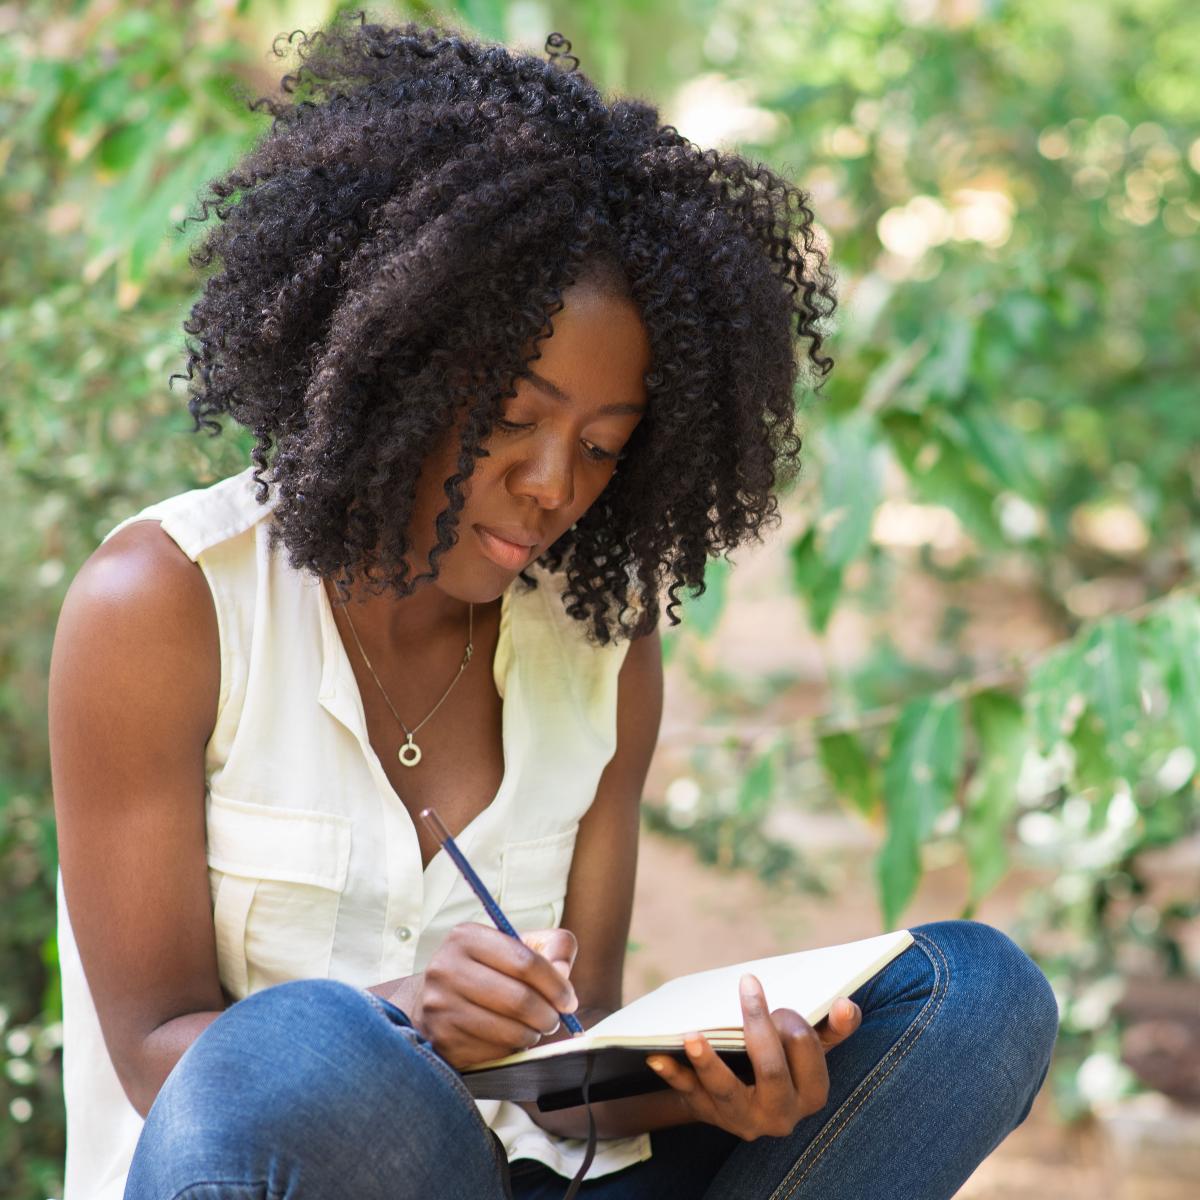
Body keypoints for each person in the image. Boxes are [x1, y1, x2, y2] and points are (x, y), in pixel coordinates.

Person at [48, 15, 1058, 1200]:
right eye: (514, 422)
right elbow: (157, 1053)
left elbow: (582, 1060)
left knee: (977, 998)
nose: (552, 484)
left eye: (604, 447)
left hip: (547, 1180)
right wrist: (408, 1019)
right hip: (288, 1165)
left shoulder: (599, 641)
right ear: (398, 364)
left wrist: (723, 1087)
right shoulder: (166, 604)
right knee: (306, 1049)